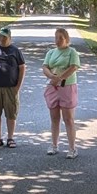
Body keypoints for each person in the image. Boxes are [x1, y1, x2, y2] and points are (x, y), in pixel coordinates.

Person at [0, 27, 26, 148]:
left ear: (9, 38)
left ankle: (11, 138)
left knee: (11, 114)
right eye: (0, 36)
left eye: (4, 37)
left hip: (11, 87)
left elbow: (22, 68)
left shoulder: (15, 51)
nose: (2, 39)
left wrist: (18, 86)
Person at [42, 27, 81, 159]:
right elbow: (45, 67)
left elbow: (74, 67)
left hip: (67, 86)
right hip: (53, 87)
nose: (58, 41)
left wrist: (61, 77)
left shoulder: (72, 52)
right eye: (56, 38)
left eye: (61, 38)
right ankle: (54, 144)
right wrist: (52, 77)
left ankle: (72, 148)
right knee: (54, 117)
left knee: (68, 118)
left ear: (66, 39)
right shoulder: (51, 52)